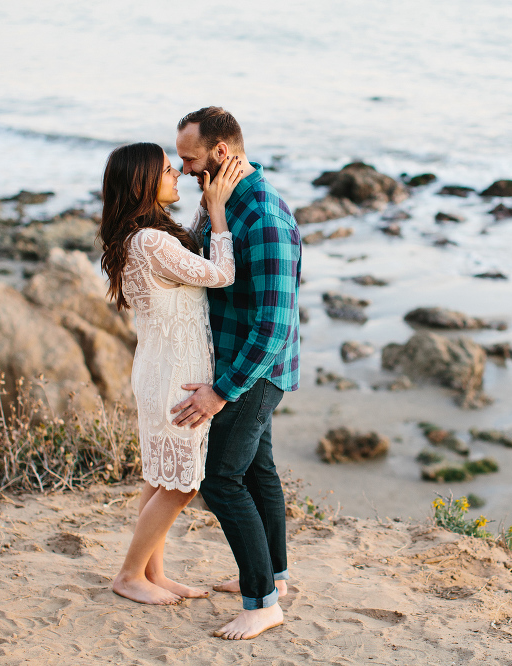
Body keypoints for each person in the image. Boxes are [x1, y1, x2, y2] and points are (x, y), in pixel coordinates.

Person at [170, 107, 302, 640]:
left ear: (221, 154)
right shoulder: (224, 203)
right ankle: (277, 577)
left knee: (220, 479)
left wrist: (220, 393)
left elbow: (273, 326)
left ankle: (262, 602)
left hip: (255, 369)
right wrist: (210, 209)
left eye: (189, 159)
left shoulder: (265, 217)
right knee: (257, 471)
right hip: (241, 360)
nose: (181, 170)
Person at [98, 141, 244, 605]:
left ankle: (151, 574)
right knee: (182, 485)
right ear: (143, 182)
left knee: (161, 478)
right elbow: (222, 273)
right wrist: (217, 210)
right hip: (175, 376)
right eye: (166, 170)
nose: (176, 174)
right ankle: (128, 574)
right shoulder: (151, 241)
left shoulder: (137, 238)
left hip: (160, 368)